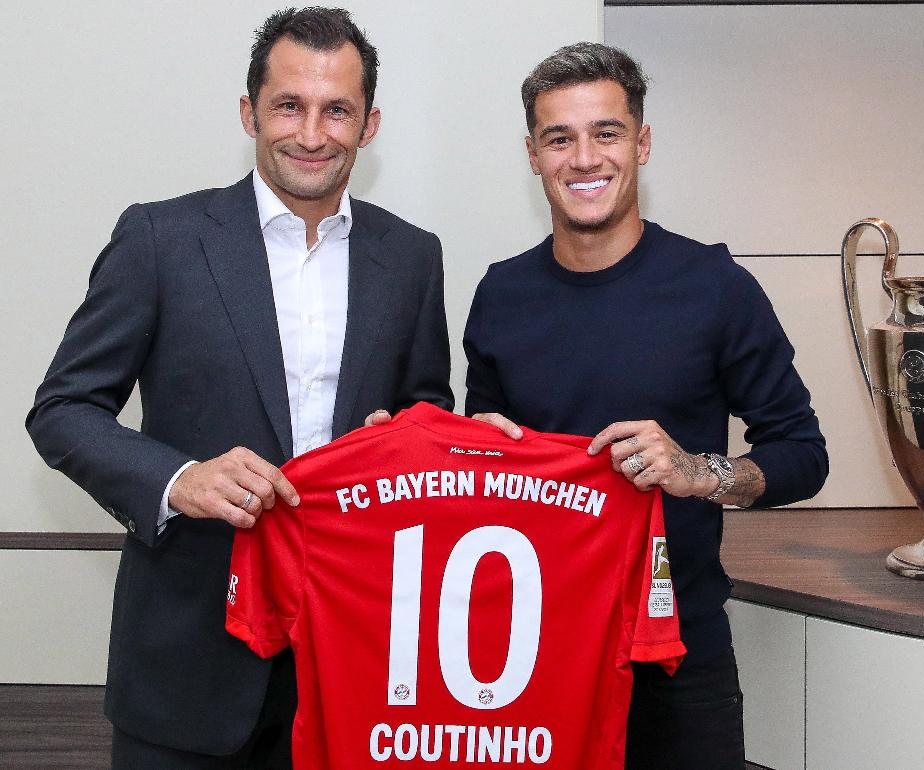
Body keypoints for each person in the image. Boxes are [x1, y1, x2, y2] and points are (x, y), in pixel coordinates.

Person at [26, 8, 452, 768]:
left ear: (370, 125)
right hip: (186, 666)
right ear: (250, 112)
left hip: (355, 666)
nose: (312, 134)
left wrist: (405, 443)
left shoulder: (413, 257)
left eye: (337, 110)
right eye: (289, 106)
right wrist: (178, 479)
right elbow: (62, 410)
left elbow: (428, 410)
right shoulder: (160, 239)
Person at [465, 42, 828, 770]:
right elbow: (486, 459)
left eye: (607, 132)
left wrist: (699, 473)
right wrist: (473, 448)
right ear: (533, 156)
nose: (584, 158)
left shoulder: (715, 287)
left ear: (643, 143)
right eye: (559, 138)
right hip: (536, 649)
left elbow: (803, 455)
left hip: (679, 652)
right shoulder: (501, 294)